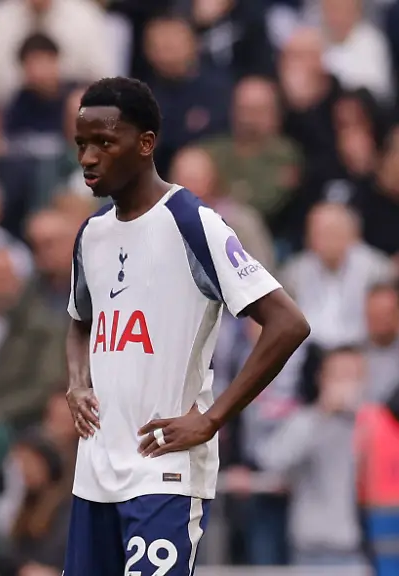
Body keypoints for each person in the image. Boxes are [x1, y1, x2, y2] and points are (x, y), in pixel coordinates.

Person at [63, 77, 311, 576]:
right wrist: (76, 381)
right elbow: (79, 320)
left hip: (165, 473)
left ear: (146, 143)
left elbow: (287, 323)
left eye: (105, 143)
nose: (88, 158)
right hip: (93, 472)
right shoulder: (92, 233)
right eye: (82, 144)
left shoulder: (191, 221)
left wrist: (213, 417)